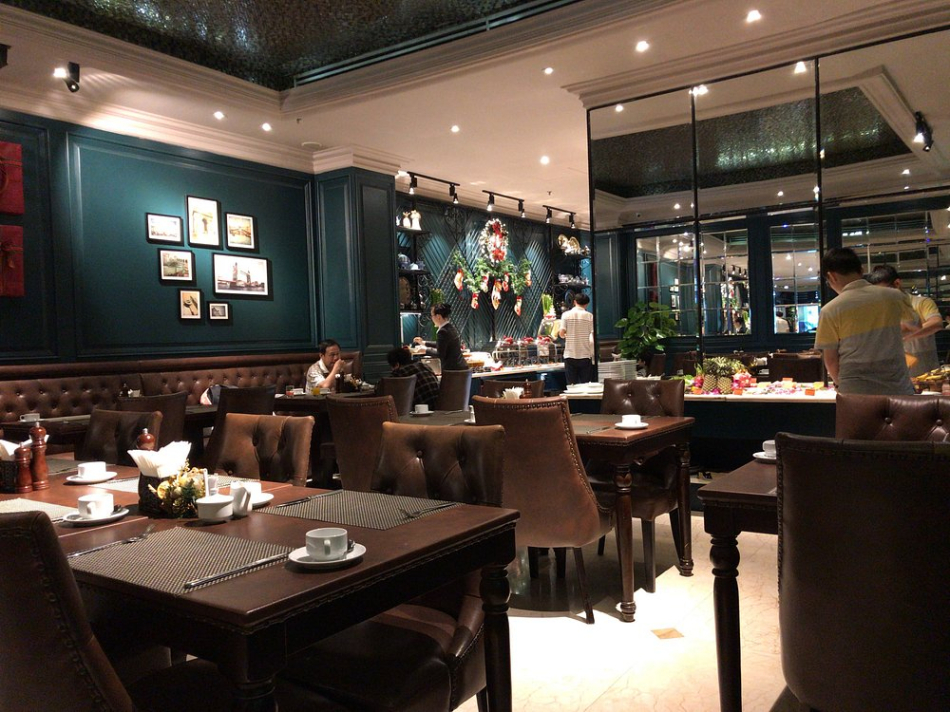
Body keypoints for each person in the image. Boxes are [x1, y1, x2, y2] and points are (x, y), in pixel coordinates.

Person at [814, 248, 914, 395]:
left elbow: (830, 360)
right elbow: (915, 326)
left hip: (855, 390)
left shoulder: (830, 310)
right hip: (897, 386)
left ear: (831, 276)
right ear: (861, 270)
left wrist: (839, 384)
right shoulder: (895, 296)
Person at [866, 264, 943, 378]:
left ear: (897, 283)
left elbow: (936, 323)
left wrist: (906, 335)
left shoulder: (921, 302)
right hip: (896, 373)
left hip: (925, 371)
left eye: (884, 291)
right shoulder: (880, 309)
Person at [412, 303, 468, 371]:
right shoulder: (450, 327)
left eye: (432, 315)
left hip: (453, 370)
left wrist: (425, 350)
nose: (431, 318)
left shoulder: (443, 331)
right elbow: (441, 345)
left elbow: (440, 353)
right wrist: (423, 343)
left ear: (438, 316)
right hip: (460, 368)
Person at [559, 293, 594, 385]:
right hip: (585, 354)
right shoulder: (589, 316)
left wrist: (565, 335)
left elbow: (561, 333)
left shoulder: (566, 315)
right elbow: (592, 334)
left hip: (570, 354)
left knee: (572, 386)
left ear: (574, 302)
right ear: (587, 304)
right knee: (586, 385)